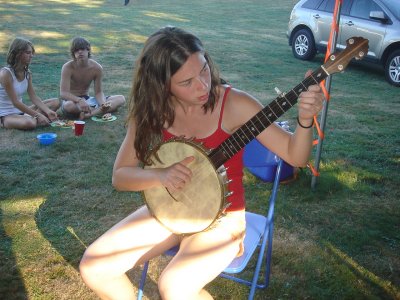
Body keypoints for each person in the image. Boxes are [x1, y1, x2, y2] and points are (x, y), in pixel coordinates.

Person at [79, 27, 324, 299]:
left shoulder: (234, 104)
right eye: (187, 82)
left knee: (174, 287)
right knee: (95, 267)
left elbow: (295, 156)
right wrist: (160, 176)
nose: (203, 86)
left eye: (204, 70)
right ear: (162, 85)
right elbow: (121, 176)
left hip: (223, 220)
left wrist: (304, 120)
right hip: (172, 210)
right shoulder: (151, 111)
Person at [0, 38, 60, 130]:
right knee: (29, 123)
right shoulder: (5, 74)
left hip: (21, 112)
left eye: (32, 53)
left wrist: (48, 111)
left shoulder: (27, 73)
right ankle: (37, 120)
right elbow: (15, 102)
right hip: (6, 115)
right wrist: (38, 115)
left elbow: (34, 97)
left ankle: (40, 118)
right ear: (17, 54)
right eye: (28, 53)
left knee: (55, 102)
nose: (31, 56)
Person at [59, 37, 125, 120]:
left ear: (88, 50)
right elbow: (63, 93)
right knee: (69, 106)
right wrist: (79, 100)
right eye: (76, 50)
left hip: (88, 100)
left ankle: (89, 114)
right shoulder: (67, 67)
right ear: (73, 52)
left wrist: (103, 105)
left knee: (121, 98)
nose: (80, 52)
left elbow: (98, 92)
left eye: (82, 49)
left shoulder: (97, 68)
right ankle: (99, 112)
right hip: (72, 101)